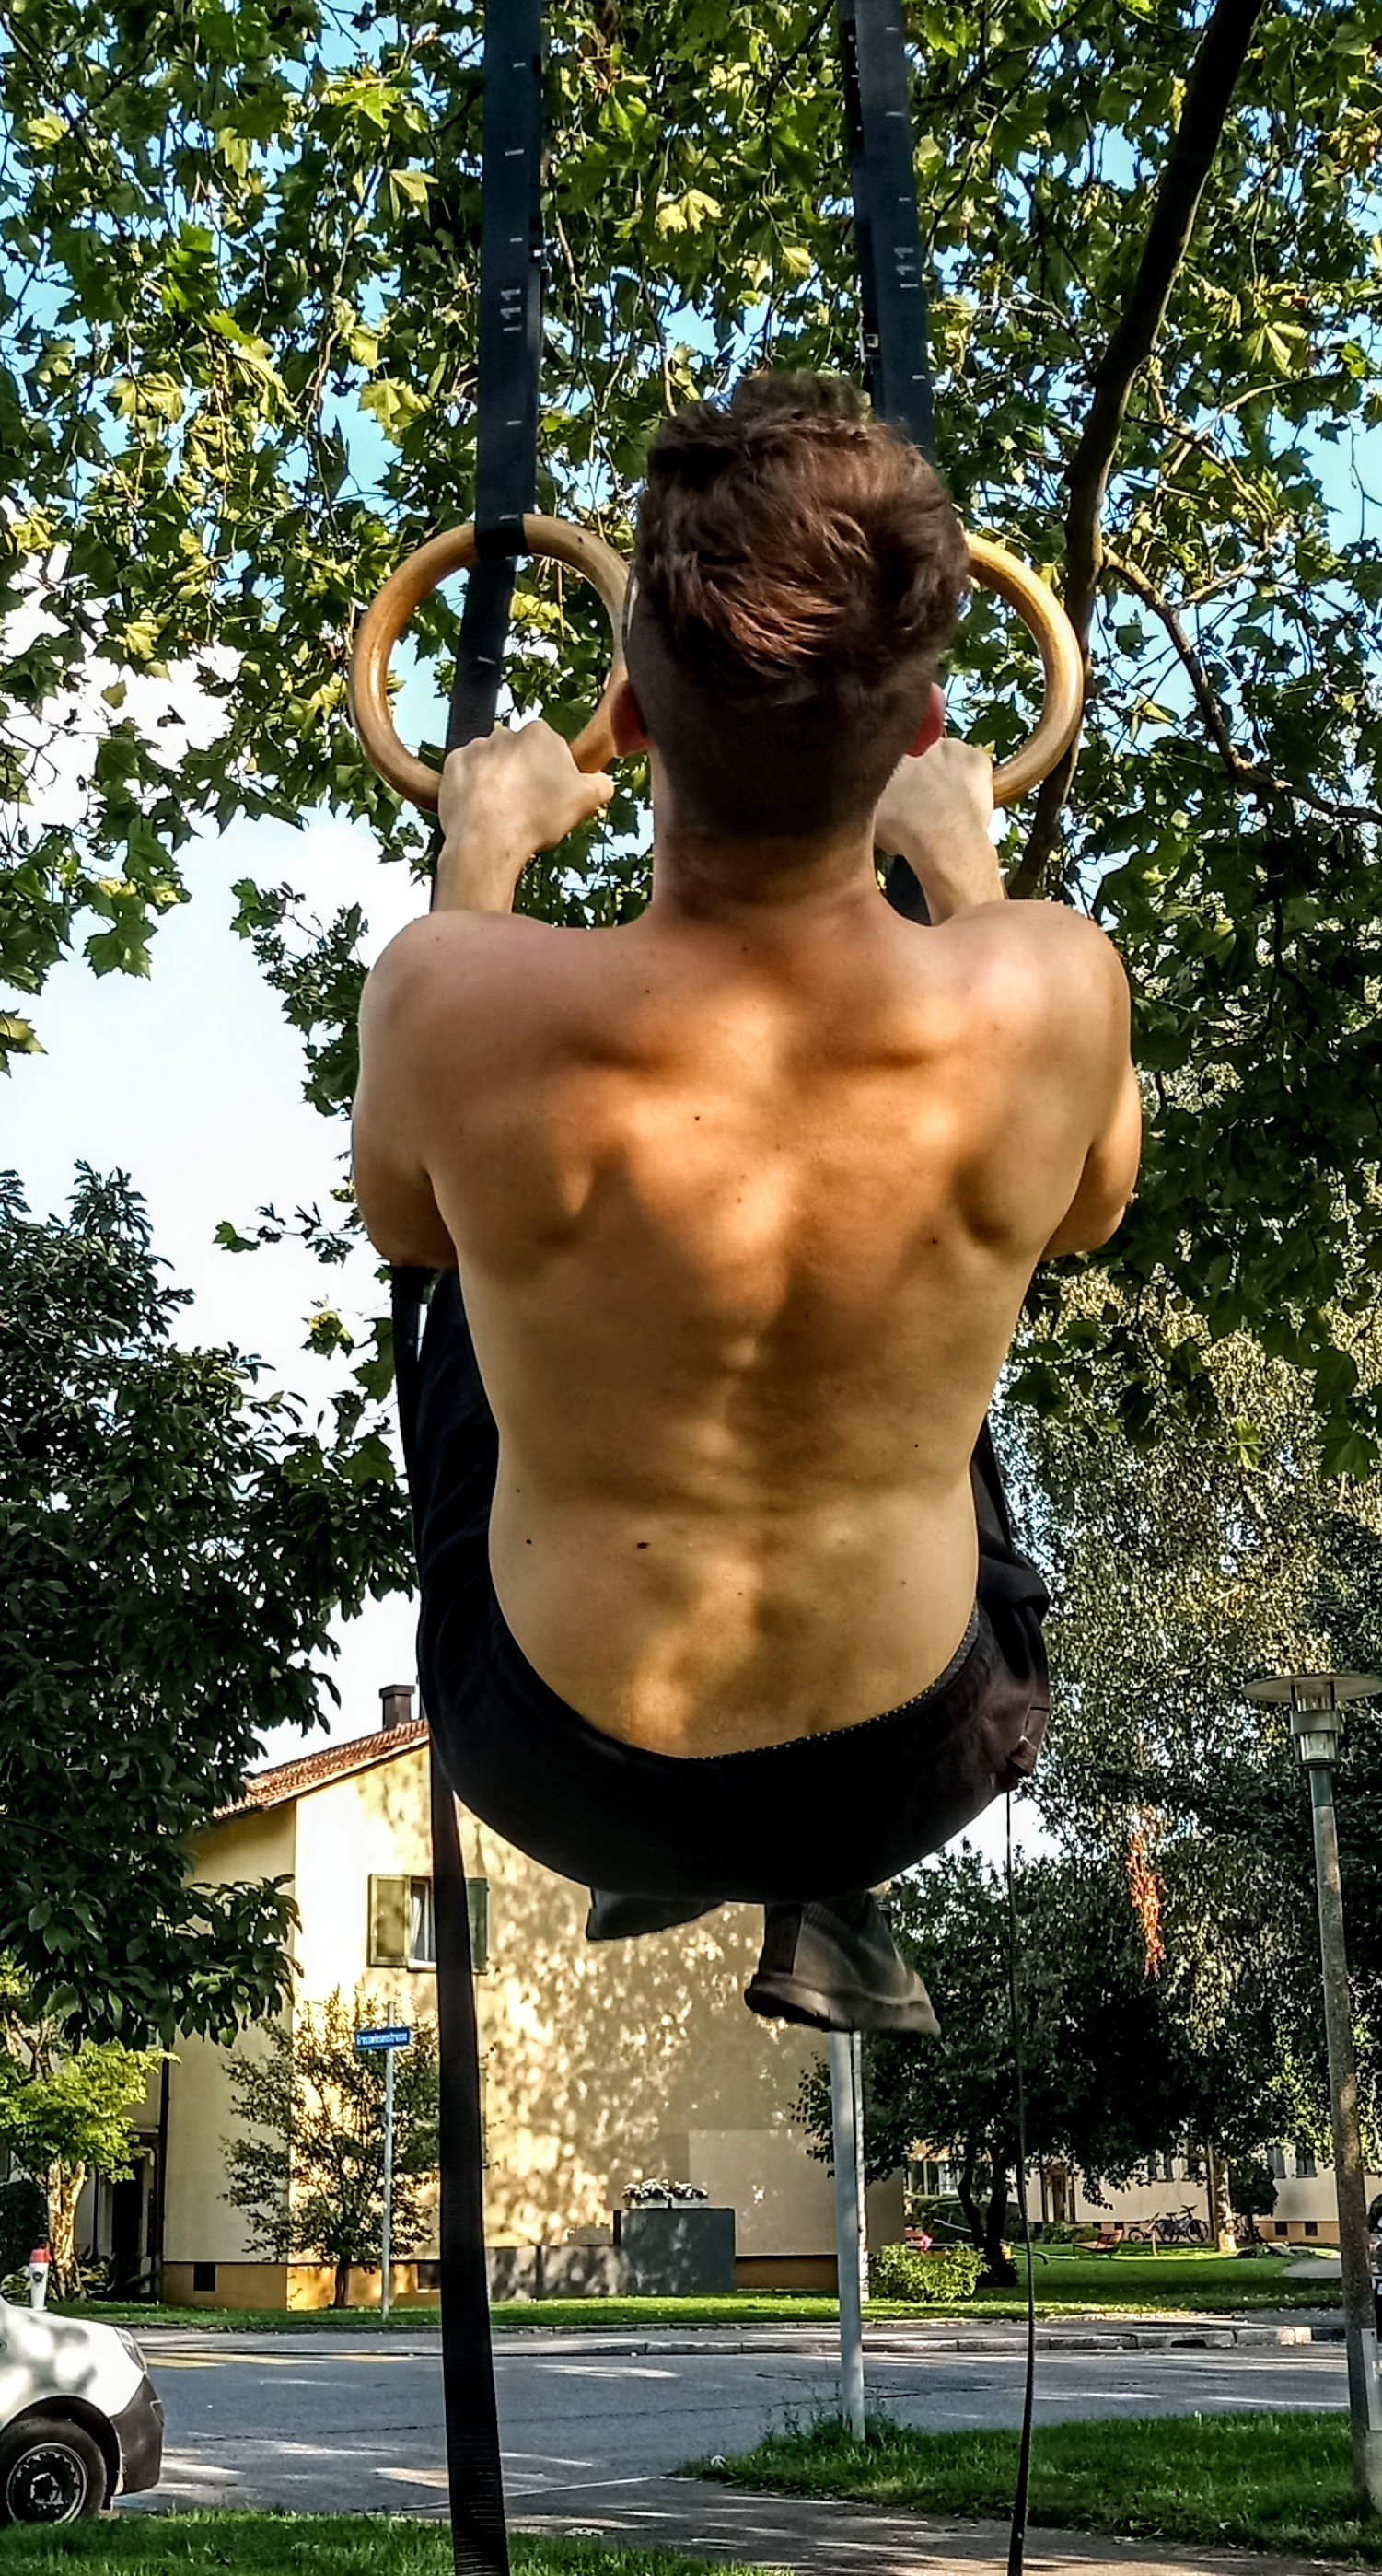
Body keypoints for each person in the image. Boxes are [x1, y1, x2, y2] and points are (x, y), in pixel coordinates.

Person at [353, 374, 1141, 2034]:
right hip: (916, 1765)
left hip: (558, 1768)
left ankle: (697, 1839)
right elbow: (1087, 1209)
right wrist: (970, 873)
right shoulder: (1050, 986)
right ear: (922, 732)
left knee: (464, 1298)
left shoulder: (446, 994)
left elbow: (405, 1228)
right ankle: (817, 1886)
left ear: (626, 723)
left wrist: (478, 862)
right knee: (961, 1250)